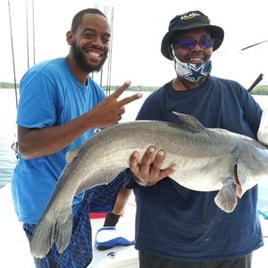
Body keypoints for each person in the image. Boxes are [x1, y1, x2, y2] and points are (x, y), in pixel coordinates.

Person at [123, 10, 264, 268]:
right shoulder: (156, 104)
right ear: (173, 50)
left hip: (233, 242)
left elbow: (263, 142)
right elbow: (131, 174)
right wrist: (143, 177)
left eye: (204, 41)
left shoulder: (236, 94)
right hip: (167, 245)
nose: (196, 49)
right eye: (187, 43)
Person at [11, 8, 142, 268]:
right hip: (46, 201)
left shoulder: (92, 89)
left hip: (78, 191)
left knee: (134, 176)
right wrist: (93, 119)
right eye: (89, 35)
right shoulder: (44, 77)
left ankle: (109, 228)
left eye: (105, 39)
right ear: (71, 36)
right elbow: (27, 146)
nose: (98, 44)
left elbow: (104, 132)